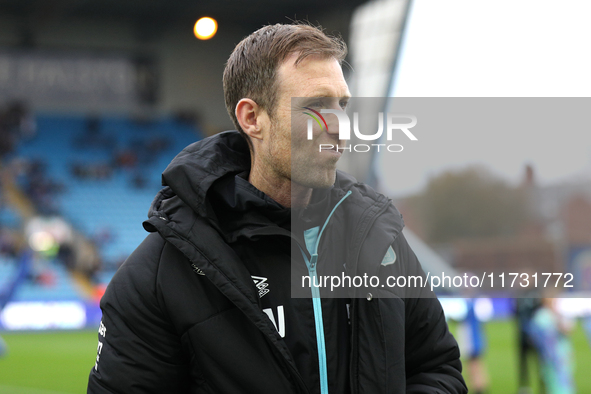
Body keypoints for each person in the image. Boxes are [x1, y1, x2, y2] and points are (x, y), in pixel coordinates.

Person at [87, 23, 466, 393]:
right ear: (252, 118)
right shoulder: (158, 274)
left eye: (342, 105)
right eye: (316, 106)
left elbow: (437, 369)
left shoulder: (380, 239)